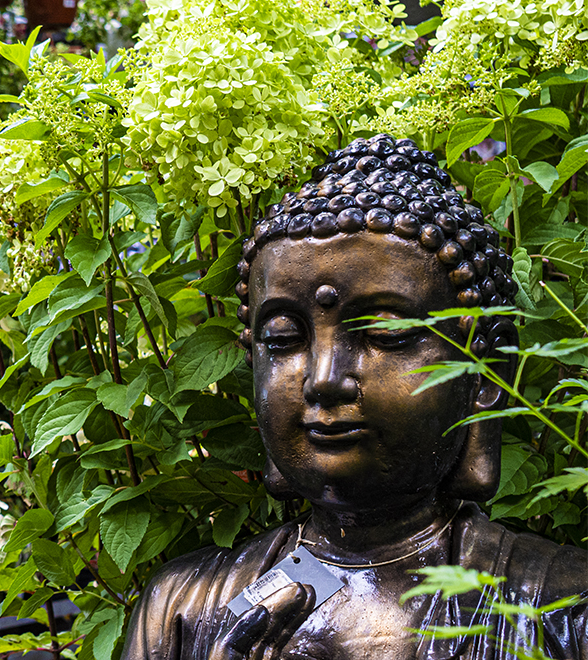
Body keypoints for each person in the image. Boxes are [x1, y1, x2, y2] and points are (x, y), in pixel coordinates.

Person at [121, 134, 588, 660]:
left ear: (485, 376)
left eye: (384, 334)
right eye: (283, 338)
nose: (323, 380)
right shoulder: (183, 608)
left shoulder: (563, 608)